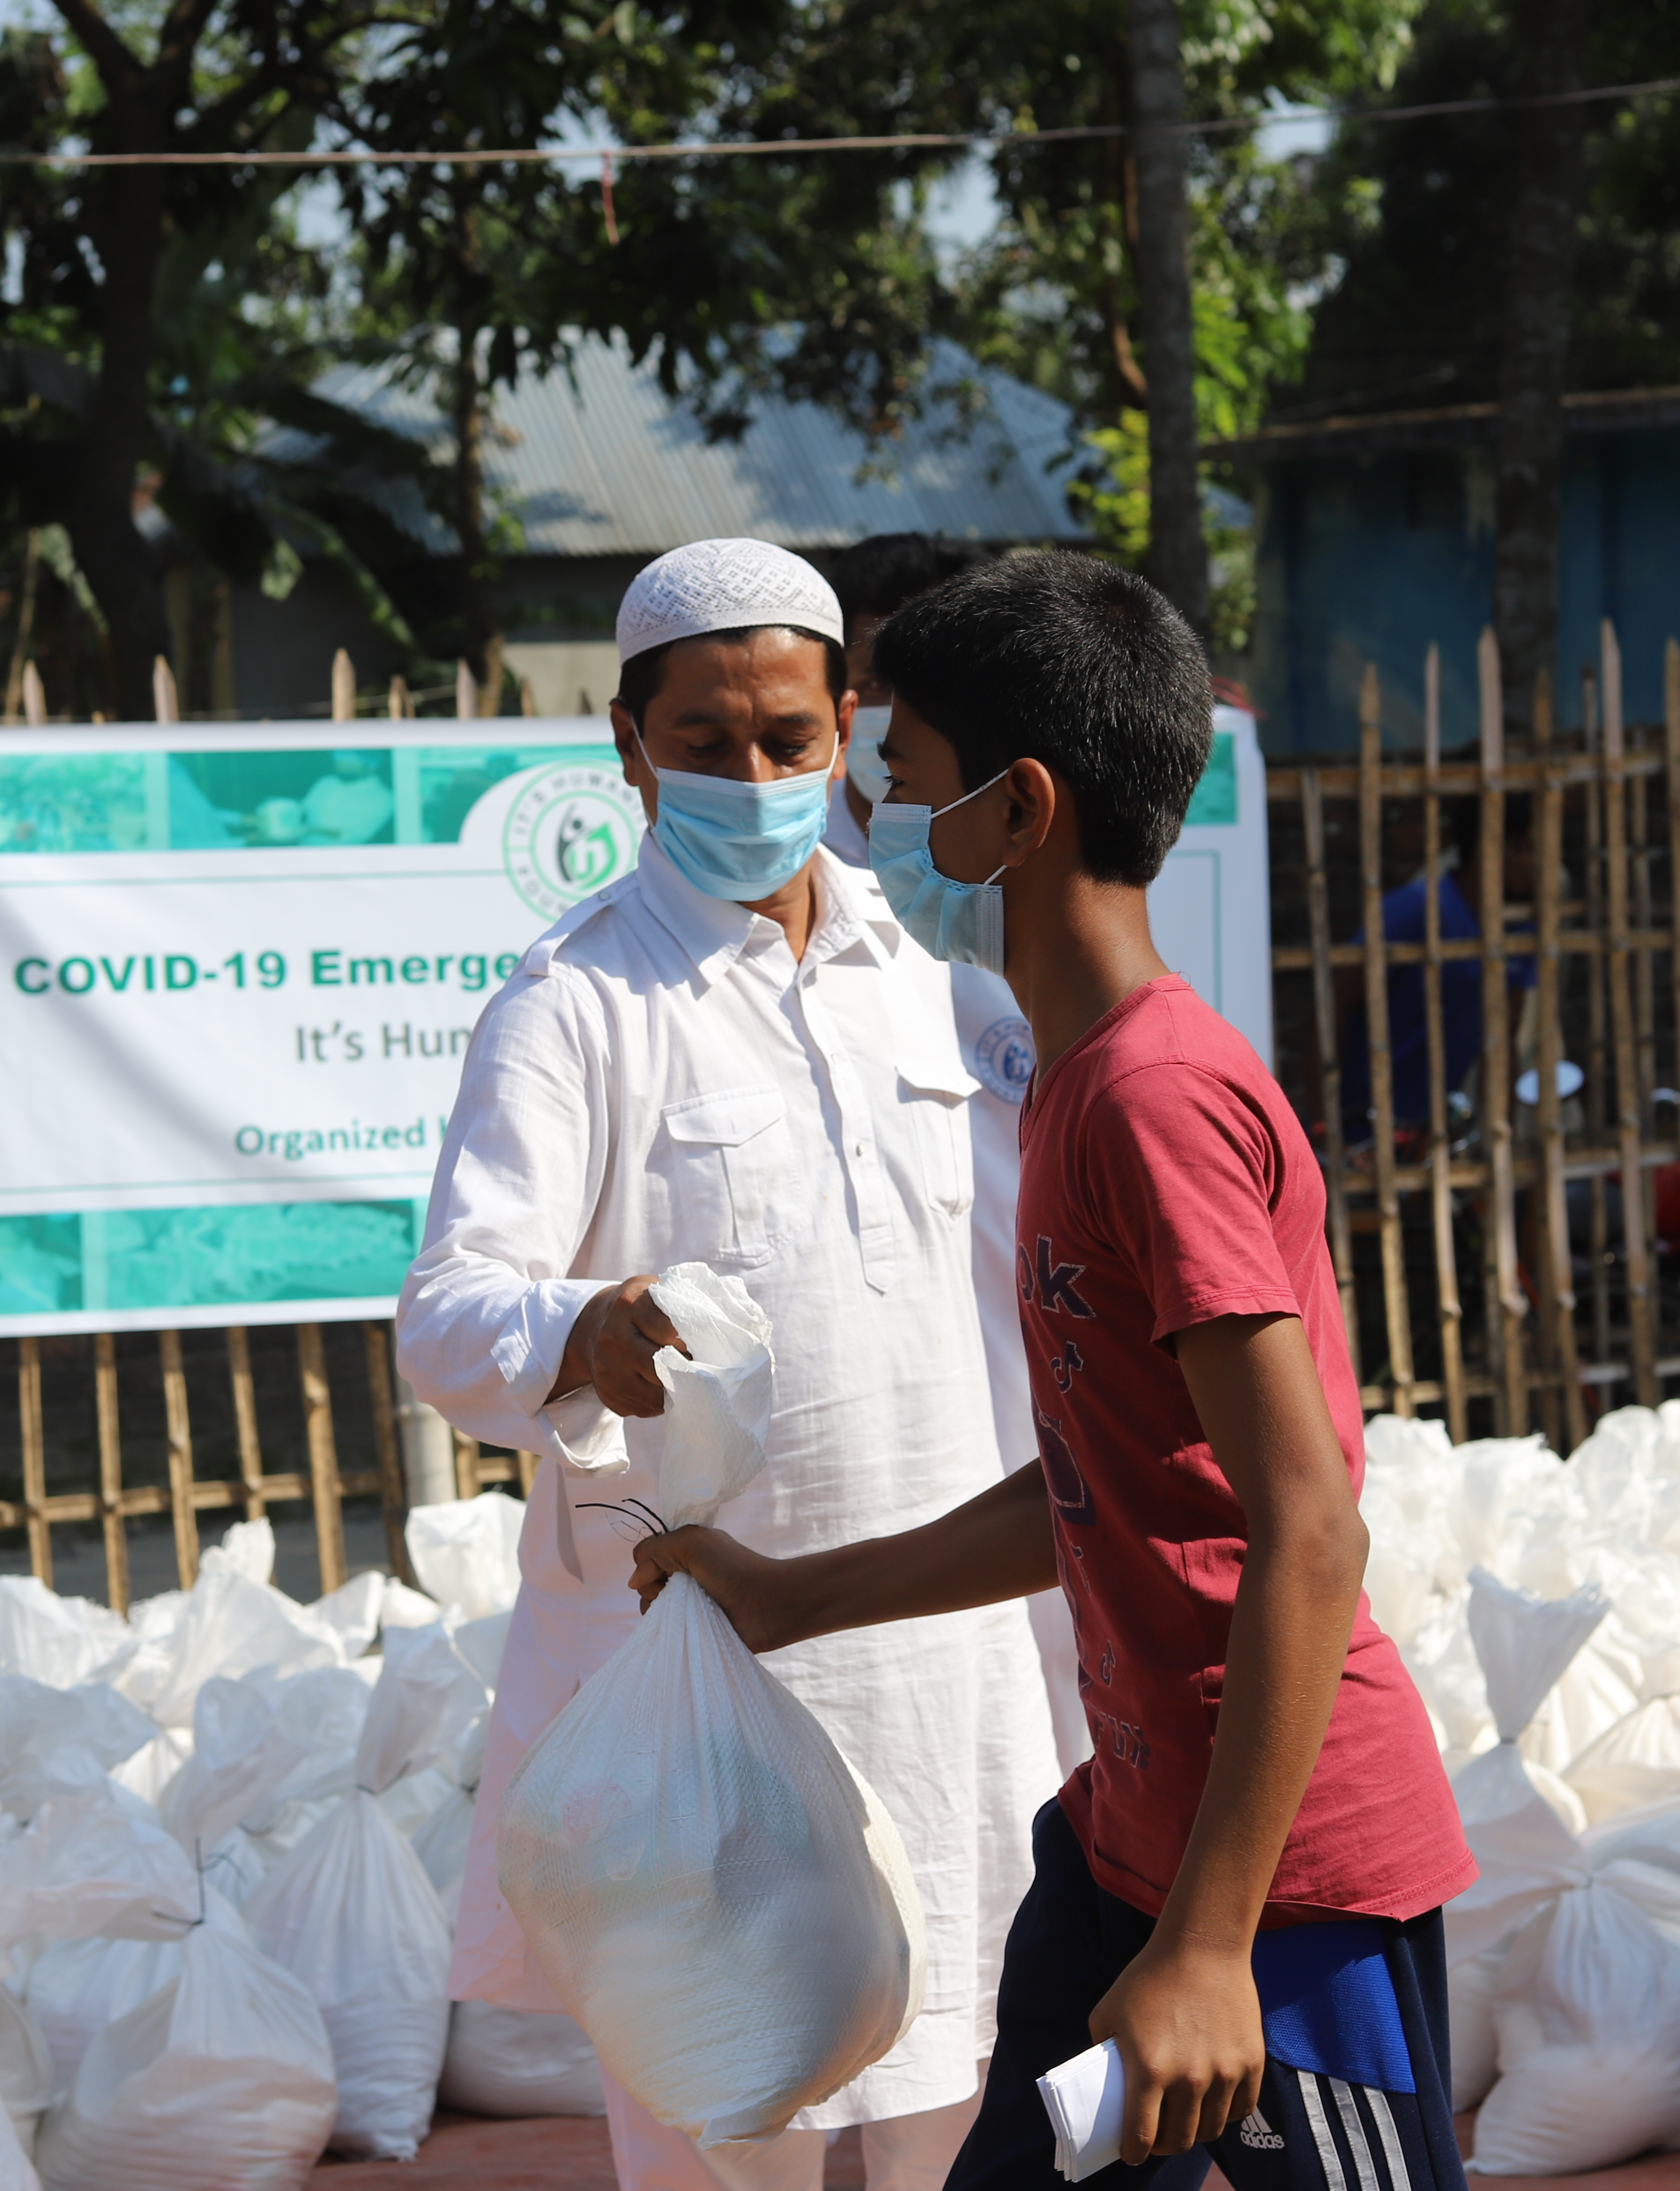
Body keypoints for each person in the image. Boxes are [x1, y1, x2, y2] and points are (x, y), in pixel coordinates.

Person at [632, 551, 1474, 2190]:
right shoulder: (1079, 1085)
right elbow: (1109, 1483)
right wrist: (793, 1596)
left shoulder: (1154, 1101)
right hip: (1127, 1848)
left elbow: (1308, 1531)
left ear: (1017, 814)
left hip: (1286, 1893)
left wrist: (1216, 1944)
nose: (865, 831)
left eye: (901, 787)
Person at [398, 536, 1048, 2191]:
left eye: (788, 740)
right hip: (705, 1682)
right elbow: (449, 1313)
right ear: (627, 746)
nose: (751, 776)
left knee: (950, 2104)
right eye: (703, 742)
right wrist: (581, 1329)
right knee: (721, 2124)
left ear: (849, 725)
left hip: (943, 1663)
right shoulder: (574, 1005)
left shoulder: (946, 981)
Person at [820, 532, 1088, 1777]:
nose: (896, 708)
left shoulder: (1037, 845)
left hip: (1041, 1305)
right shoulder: (790, 879)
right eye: (880, 674)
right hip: (883, 1343)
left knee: (1071, 1667)